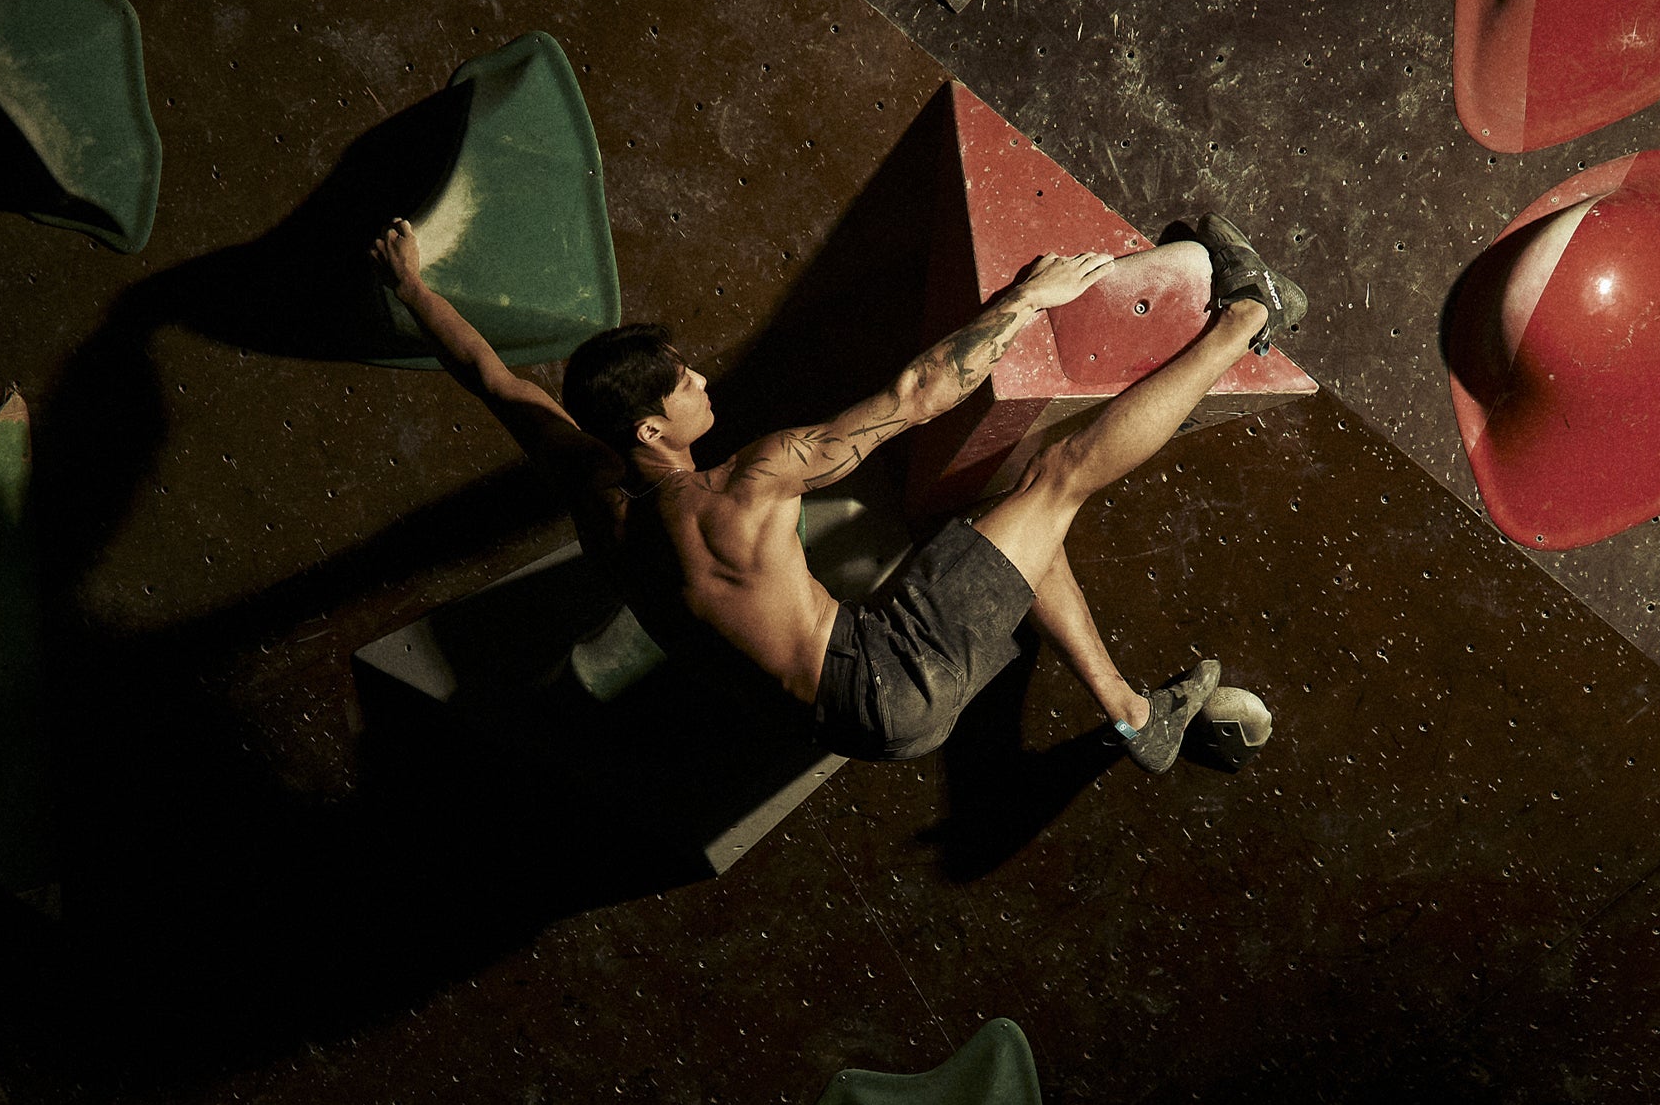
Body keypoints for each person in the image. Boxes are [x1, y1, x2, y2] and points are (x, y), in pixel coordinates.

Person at [370, 215, 1304, 769]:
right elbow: (918, 394)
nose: (699, 380)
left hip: (842, 721)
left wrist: (414, 290)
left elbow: (496, 379)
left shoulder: (595, 491)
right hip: (891, 674)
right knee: (1050, 479)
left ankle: (1136, 717)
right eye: (680, 383)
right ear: (652, 429)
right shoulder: (750, 483)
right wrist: (1029, 299)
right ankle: (1249, 313)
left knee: (997, 532)